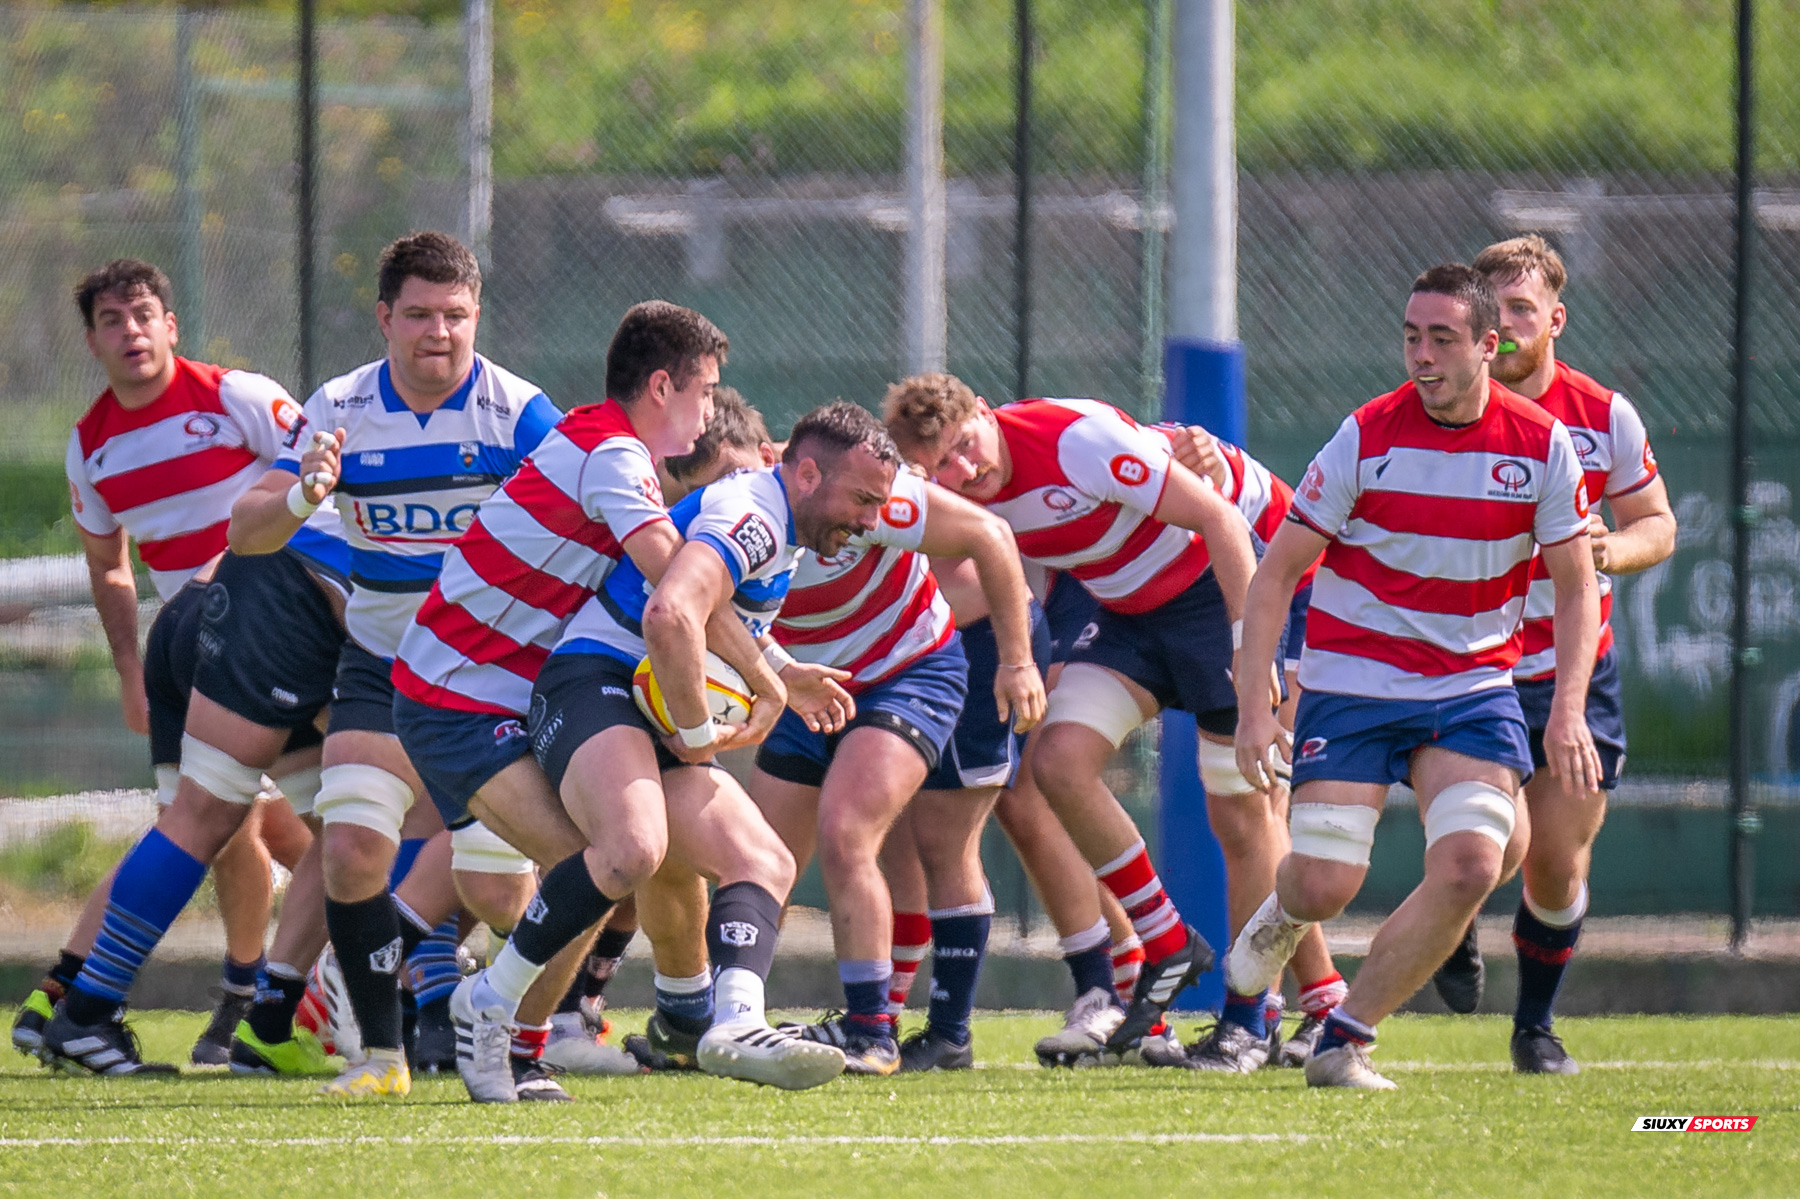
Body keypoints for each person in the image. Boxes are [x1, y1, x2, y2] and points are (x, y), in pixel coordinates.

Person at [450, 404, 904, 1096]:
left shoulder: (777, 526)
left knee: (764, 858)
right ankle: (487, 1000)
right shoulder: (752, 514)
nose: (872, 520)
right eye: (864, 499)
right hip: (592, 684)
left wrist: (779, 672)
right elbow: (670, 613)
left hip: (642, 701)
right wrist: (697, 739)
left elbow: (716, 615)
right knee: (633, 848)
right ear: (807, 473)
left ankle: (736, 1023)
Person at [1224, 262, 1602, 1090]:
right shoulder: (1366, 434)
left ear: (1486, 345)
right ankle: (1287, 910)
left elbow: (1576, 589)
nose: (1421, 355)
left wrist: (1565, 710)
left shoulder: (1542, 443)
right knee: (1325, 883)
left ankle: (1343, 1038)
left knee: (1474, 861)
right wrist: (1256, 704)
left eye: (1441, 338)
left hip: (1471, 686)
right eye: (1410, 337)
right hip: (1354, 681)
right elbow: (1275, 575)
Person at [226, 231, 576, 1100]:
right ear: (385, 318)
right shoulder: (341, 407)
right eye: (418, 314)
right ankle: (380, 1059)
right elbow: (246, 530)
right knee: (348, 851)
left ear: (476, 316)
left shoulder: (521, 413)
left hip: (493, 681)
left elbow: (587, 522)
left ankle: (509, 1030)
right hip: (383, 667)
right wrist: (308, 491)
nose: (439, 332)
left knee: (503, 894)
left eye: (456, 315)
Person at [389, 301, 762, 1094]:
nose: (708, 411)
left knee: (591, 867)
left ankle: (505, 1030)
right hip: (453, 695)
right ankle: (486, 1023)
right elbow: (675, 583)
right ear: (662, 386)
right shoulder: (613, 457)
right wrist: (771, 675)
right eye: (704, 391)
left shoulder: (600, 440)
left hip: (499, 693)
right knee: (597, 862)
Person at [882, 376, 1262, 1060]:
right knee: (1045, 772)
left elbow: (1219, 516)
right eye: (940, 465)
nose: (964, 471)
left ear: (983, 412)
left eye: (965, 444)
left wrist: (1254, 650)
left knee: (1248, 811)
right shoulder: (939, 488)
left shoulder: (1073, 441)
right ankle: (1134, 971)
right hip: (1121, 603)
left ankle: (1286, 1005)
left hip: (1221, 589)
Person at [30, 259, 333, 1075]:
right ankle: (282, 1003)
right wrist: (129, 671)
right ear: (92, 341)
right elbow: (110, 570)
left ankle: (98, 998)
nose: (130, 330)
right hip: (220, 637)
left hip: (248, 629)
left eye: (142, 313)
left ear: (170, 325)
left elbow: (318, 481)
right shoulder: (91, 446)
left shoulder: (235, 395)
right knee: (320, 815)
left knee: (239, 820)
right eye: (111, 319)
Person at [1426, 236, 1675, 1073]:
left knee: (1557, 862)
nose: (1508, 325)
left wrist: (1613, 549)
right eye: (1494, 311)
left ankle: (1534, 1026)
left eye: (1523, 309)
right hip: (1476, 664)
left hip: (1574, 670)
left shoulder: (1604, 414)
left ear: (1555, 318)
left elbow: (1658, 523)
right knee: (1487, 848)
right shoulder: (1447, 408)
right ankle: (1453, 919)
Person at [736, 418, 1045, 1075]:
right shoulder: (726, 518)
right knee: (753, 853)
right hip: (803, 681)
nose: (870, 516)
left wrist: (1017, 660)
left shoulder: (879, 499)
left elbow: (991, 533)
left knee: (848, 829)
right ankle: (724, 1018)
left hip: (909, 672)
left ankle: (872, 1029)